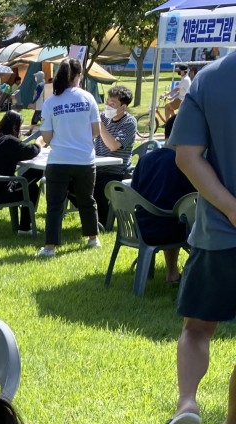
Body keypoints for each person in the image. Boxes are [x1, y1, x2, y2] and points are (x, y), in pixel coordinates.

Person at [151, 53, 236, 424]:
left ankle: (187, 405)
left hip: (218, 232)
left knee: (198, 328)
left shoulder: (210, 78)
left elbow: (186, 157)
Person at [36, 58, 100, 258]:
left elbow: (46, 137)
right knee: (87, 200)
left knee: (55, 204)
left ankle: (50, 247)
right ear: (79, 76)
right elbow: (96, 131)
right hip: (85, 160)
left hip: (58, 159)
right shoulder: (88, 98)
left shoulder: (51, 102)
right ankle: (92, 239)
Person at [129, 116, 195, 284]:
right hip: (168, 228)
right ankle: (178, 273)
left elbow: (133, 192)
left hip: (139, 227)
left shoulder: (145, 160)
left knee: (169, 211)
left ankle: (167, 270)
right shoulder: (183, 164)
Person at [0, 110, 43, 234]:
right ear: (15, 127)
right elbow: (31, 151)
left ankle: (25, 227)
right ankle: (25, 228)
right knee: (37, 173)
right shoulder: (9, 141)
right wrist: (39, 142)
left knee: (32, 188)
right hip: (0, 191)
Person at [91, 84, 138, 226]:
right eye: (107, 102)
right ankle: (91, 215)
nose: (108, 106)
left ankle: (104, 222)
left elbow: (113, 146)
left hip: (116, 171)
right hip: (96, 167)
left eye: (113, 104)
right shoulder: (102, 118)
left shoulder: (129, 122)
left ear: (123, 107)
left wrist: (100, 126)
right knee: (72, 183)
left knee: (100, 186)